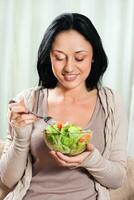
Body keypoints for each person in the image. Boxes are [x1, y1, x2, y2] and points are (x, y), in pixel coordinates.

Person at [0, 13, 128, 200]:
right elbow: (7, 180)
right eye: (59, 57)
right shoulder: (27, 102)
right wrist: (20, 139)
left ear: (93, 56)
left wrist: (90, 159)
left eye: (79, 58)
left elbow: (117, 179)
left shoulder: (110, 103)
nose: (69, 68)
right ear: (49, 56)